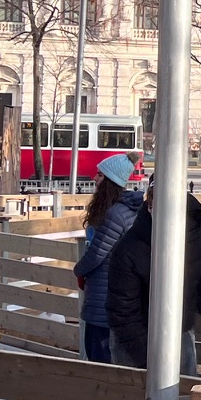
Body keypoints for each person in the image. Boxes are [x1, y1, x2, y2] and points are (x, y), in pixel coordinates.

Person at [107, 188, 201, 372]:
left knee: (178, 382)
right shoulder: (130, 248)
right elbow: (122, 308)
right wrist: (145, 357)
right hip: (146, 331)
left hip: (175, 327)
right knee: (182, 383)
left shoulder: (131, 246)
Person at [74, 154, 144, 364]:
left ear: (110, 181)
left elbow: (97, 254)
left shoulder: (115, 215)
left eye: (100, 175)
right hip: (119, 296)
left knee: (99, 357)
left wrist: (78, 270)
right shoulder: (129, 212)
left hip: (104, 296)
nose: (94, 178)